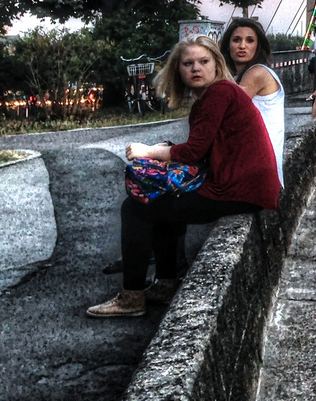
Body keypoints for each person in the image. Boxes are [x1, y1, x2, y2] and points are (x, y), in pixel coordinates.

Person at [86, 36, 280, 318]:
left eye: (204, 62)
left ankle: (132, 297)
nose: (196, 68)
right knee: (162, 203)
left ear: (217, 65)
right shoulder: (216, 95)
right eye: (187, 64)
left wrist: (148, 151)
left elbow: (192, 152)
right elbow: (203, 150)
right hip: (242, 187)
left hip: (235, 190)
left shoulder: (220, 92)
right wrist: (167, 150)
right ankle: (165, 284)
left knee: (136, 207)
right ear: (178, 70)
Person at [221, 17, 284, 188]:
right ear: (228, 45)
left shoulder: (258, 73)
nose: (242, 46)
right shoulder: (236, 78)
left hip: (261, 175)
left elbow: (223, 111)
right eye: (236, 40)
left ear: (258, 47)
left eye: (250, 40)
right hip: (250, 164)